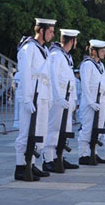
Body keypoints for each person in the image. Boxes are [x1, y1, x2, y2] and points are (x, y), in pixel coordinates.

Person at [14, 18, 56, 181]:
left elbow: (48, 76)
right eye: (50, 31)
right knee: (26, 132)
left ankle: (31, 164)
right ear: (41, 31)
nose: (52, 35)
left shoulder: (44, 50)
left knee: (39, 132)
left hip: (42, 95)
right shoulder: (28, 48)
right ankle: (20, 166)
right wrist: (26, 99)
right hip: (31, 94)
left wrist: (50, 96)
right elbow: (24, 74)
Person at [42, 28, 80, 173]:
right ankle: (49, 160)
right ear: (72, 40)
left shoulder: (66, 56)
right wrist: (57, 97)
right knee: (54, 129)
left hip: (67, 97)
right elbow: (52, 77)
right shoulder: (55, 55)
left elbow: (70, 79)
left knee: (64, 130)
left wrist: (74, 99)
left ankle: (59, 157)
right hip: (59, 98)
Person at [78, 39, 105, 165]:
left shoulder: (100, 65)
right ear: (94, 52)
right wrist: (90, 101)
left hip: (100, 101)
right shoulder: (87, 64)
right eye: (102, 50)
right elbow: (85, 84)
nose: (104, 53)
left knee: (98, 128)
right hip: (90, 101)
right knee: (87, 128)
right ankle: (83, 154)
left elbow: (104, 83)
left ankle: (94, 152)